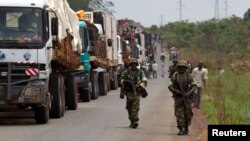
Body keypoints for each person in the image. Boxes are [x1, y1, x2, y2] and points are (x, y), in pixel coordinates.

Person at [168, 60, 197, 135]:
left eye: (183, 67)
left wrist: (189, 93)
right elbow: (170, 86)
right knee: (179, 114)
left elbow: (194, 85)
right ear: (178, 68)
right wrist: (175, 91)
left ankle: (186, 128)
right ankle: (181, 128)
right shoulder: (175, 75)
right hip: (178, 98)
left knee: (187, 114)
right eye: (180, 67)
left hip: (187, 99)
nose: (181, 69)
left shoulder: (188, 76)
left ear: (185, 68)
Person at [119, 58, 148, 129]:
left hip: (137, 91)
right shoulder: (126, 72)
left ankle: (135, 119)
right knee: (129, 106)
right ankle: (132, 120)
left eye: (135, 64)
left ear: (136, 64)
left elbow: (144, 81)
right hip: (129, 92)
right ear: (130, 65)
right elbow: (121, 80)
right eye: (132, 64)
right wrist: (125, 81)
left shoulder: (140, 72)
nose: (133, 65)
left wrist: (140, 86)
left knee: (136, 105)